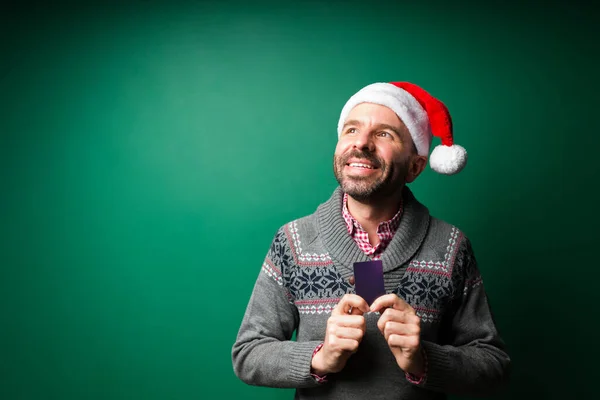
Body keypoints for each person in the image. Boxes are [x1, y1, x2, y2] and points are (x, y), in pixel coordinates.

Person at [231, 81, 510, 399]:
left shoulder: (451, 246)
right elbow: (248, 355)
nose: (361, 143)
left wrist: (423, 361)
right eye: (351, 130)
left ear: (415, 166)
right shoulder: (293, 241)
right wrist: (321, 358)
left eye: (384, 134)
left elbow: (493, 363)